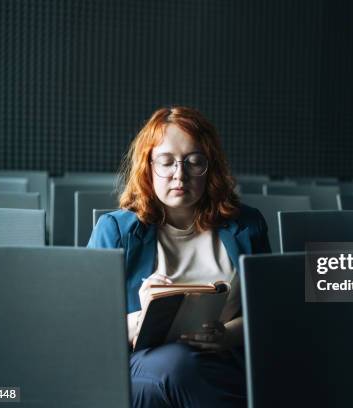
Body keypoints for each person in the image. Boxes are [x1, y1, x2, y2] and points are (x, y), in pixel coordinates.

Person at [87, 106, 270, 407]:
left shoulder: (248, 226)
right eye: (166, 162)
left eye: (193, 161)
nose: (179, 174)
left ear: (210, 167)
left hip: (225, 361)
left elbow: (267, 313)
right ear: (148, 167)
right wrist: (142, 319)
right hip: (146, 361)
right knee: (176, 366)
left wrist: (226, 335)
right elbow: (86, 325)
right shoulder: (115, 230)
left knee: (168, 379)